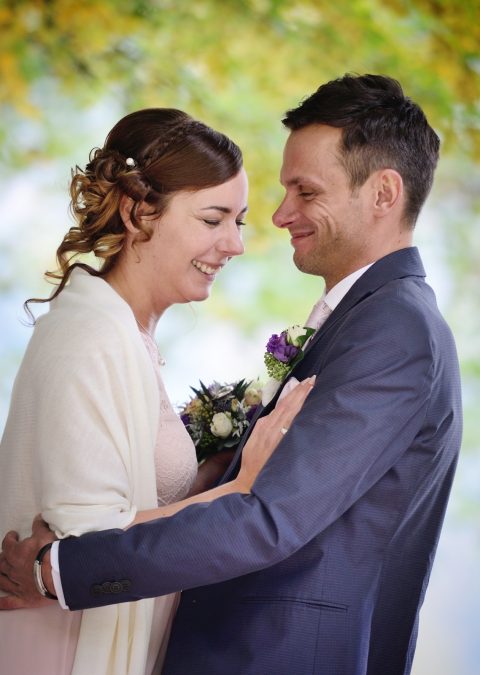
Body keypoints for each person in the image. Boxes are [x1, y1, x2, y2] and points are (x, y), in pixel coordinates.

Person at [0, 74, 462, 675]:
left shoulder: (395, 331)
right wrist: (223, 474)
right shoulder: (368, 321)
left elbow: (270, 517)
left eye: (305, 191)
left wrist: (58, 569)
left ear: (382, 193)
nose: (278, 215)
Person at [0, 107, 314, 674]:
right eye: (214, 218)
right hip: (63, 652)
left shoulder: (126, 334)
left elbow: (124, 502)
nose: (235, 244)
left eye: (237, 221)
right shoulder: (89, 338)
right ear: (138, 210)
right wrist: (239, 490)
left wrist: (211, 470)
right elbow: (88, 547)